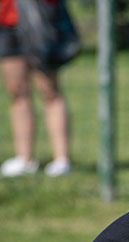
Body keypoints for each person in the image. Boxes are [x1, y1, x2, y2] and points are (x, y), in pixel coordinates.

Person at [0, 0, 72, 177]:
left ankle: (61, 160)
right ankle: (25, 159)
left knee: (50, 91)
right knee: (17, 92)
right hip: (6, 22)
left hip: (39, 17)